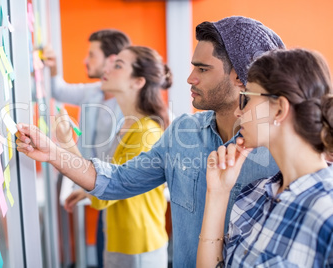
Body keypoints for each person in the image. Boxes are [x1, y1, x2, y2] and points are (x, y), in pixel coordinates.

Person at [16, 16, 285, 267]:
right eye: (194, 67)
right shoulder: (183, 132)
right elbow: (116, 181)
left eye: (203, 69)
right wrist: (53, 152)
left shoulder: (278, 152)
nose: (191, 78)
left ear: (240, 77)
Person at [196, 48, 333, 267]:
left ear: (279, 109)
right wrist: (218, 194)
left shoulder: (326, 213)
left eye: (246, 99)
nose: (238, 113)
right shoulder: (252, 195)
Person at [62, 45, 171, 268]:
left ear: (138, 81)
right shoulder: (127, 124)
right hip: (123, 240)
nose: (108, 68)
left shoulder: (146, 132)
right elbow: (114, 178)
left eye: (118, 65)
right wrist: (87, 192)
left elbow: (106, 194)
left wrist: (66, 144)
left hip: (138, 248)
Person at [44, 29, 130, 268]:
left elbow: (125, 169)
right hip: (97, 190)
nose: (85, 60)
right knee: (105, 253)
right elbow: (58, 90)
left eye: (92, 55)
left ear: (111, 60)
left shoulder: (129, 107)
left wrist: (91, 187)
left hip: (116, 199)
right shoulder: (93, 92)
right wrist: (52, 70)